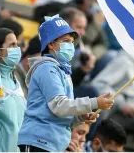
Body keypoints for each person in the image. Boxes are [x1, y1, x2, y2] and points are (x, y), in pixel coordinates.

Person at [18, 15, 114, 152]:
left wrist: (81, 116)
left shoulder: (62, 70)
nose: (70, 45)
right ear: (51, 44)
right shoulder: (47, 68)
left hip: (52, 143)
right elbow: (59, 106)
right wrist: (94, 103)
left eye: (71, 42)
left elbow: (58, 115)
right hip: (38, 142)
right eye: (66, 41)